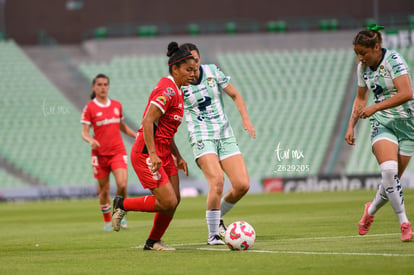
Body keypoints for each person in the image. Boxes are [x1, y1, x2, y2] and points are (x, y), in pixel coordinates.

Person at [111, 42, 196, 250]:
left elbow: (166, 129)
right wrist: (153, 153)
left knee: (175, 200)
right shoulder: (167, 90)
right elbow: (148, 121)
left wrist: (178, 156)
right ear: (175, 69)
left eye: (194, 70)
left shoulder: (179, 91)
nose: (193, 74)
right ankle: (122, 204)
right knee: (167, 202)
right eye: (188, 70)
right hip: (147, 153)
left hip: (164, 152)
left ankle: (153, 242)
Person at [181, 43, 256, 245]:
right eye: (190, 62)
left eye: (196, 60)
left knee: (242, 185)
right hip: (201, 137)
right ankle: (213, 234)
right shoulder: (180, 84)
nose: (194, 65)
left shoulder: (213, 71)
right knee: (217, 181)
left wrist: (245, 119)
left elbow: (235, 95)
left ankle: (217, 218)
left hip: (224, 134)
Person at [345, 24, 413, 242]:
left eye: (363, 53)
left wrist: (375, 107)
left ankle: (370, 210)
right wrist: (351, 125)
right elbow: (361, 99)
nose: (360, 58)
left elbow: (407, 93)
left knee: (391, 182)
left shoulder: (394, 60)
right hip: (383, 123)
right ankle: (404, 222)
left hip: (408, 126)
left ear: (377, 47)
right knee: (388, 171)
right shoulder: (361, 69)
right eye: (357, 54)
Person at [81, 74, 137, 231]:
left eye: (105, 84)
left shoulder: (116, 105)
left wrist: (136, 135)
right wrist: (90, 140)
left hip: (117, 151)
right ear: (94, 87)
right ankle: (107, 221)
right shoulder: (90, 108)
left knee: (122, 184)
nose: (103, 87)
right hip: (100, 155)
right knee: (104, 190)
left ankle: (119, 215)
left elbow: (121, 126)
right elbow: (84, 132)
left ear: (108, 86)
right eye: (99, 84)